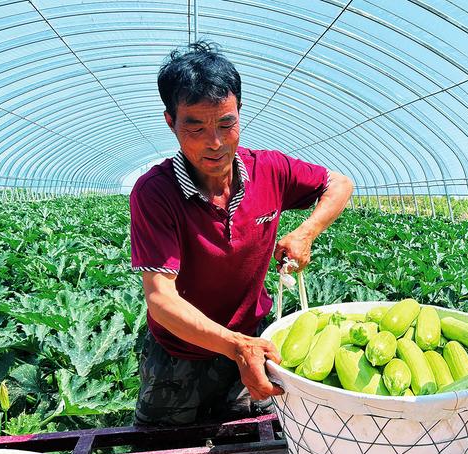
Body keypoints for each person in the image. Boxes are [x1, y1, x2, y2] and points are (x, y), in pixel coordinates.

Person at [129, 41, 354, 427]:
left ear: (239, 114)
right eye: (195, 127)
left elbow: (340, 183)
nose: (214, 142)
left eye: (225, 123)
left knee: (253, 440)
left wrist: (307, 231)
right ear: (170, 122)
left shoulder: (271, 169)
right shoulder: (155, 192)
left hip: (254, 338)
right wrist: (236, 347)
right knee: (163, 445)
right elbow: (161, 300)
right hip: (180, 354)